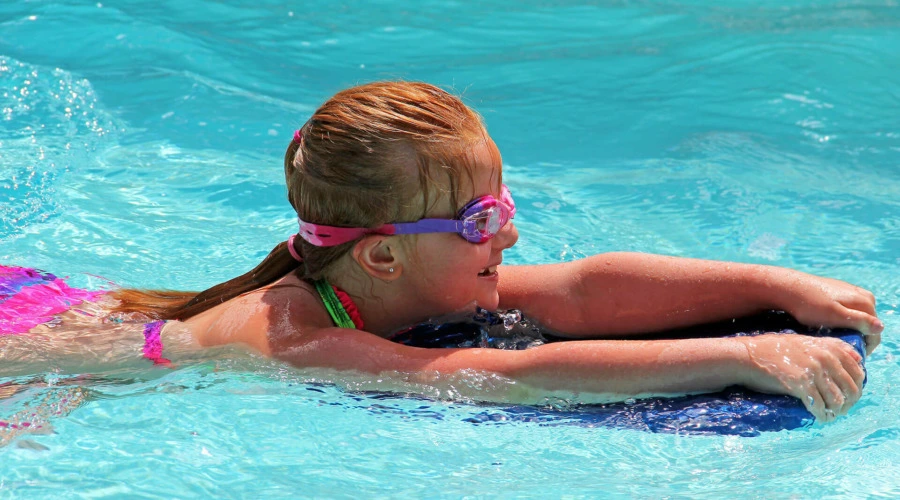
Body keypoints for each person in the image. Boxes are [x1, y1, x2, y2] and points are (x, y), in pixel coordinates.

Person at [0, 82, 882, 423]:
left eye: (503, 204)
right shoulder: (287, 338)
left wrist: (781, 287)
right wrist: (742, 354)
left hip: (64, 302)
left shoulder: (390, 273)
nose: (509, 233)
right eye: (478, 221)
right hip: (30, 343)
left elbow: (578, 290)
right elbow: (503, 376)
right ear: (382, 258)